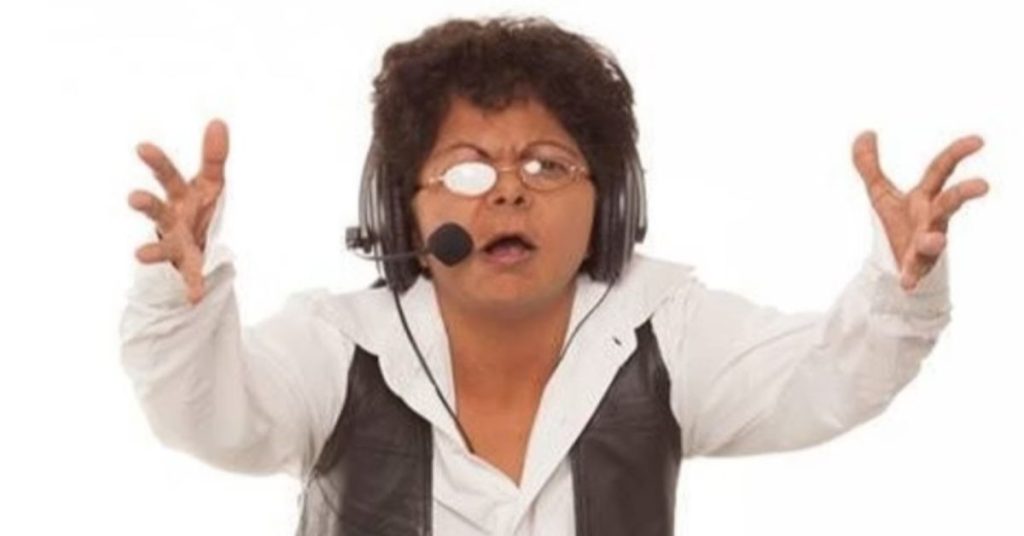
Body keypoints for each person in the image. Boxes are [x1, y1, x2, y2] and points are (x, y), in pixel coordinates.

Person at [119, 16, 989, 536]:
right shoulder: (336, 346)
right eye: (467, 168)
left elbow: (830, 378)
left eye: (547, 165)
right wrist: (179, 304)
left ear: (606, 202)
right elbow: (208, 419)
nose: (508, 192)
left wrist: (899, 287)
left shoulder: (667, 331)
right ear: (405, 208)